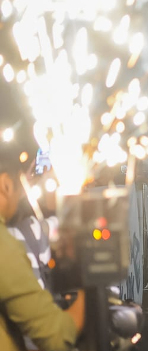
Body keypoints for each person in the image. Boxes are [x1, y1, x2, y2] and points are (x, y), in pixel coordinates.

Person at [0, 150, 86, 351]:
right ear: (5, 184)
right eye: (19, 187)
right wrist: (90, 289)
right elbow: (56, 336)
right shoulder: (4, 246)